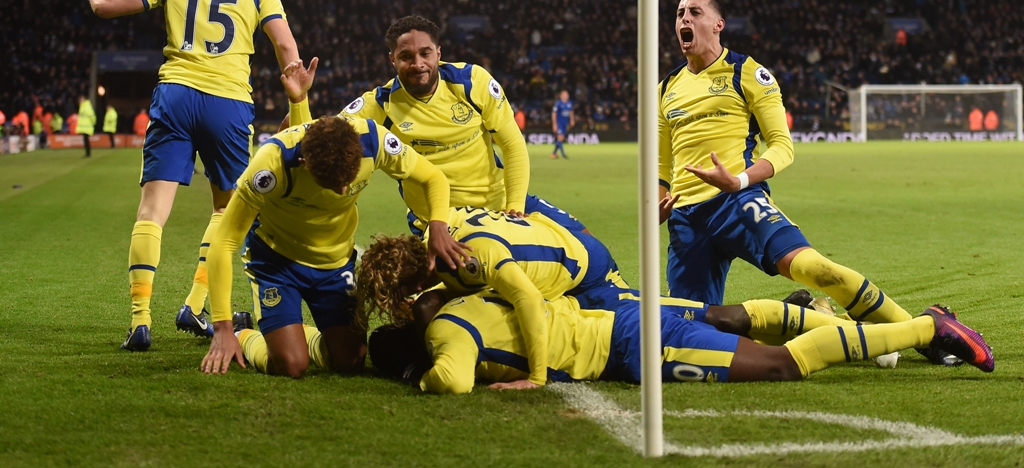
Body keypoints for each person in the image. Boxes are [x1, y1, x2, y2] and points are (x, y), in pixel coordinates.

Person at [656, 0, 945, 357]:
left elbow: (782, 146)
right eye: (680, 13)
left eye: (695, 12)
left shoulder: (747, 72)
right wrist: (658, 199)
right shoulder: (666, 89)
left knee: (816, 269)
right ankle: (810, 317)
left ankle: (931, 335)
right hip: (686, 220)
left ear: (718, 25)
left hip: (737, 202)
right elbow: (661, 165)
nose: (684, 18)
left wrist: (739, 180)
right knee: (689, 335)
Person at [89, 0, 301, 352]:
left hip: (176, 94)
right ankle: (195, 303)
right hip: (228, 103)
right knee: (227, 212)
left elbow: (103, 4)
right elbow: (284, 46)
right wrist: (295, 98)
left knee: (151, 212)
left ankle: (139, 322)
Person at [199, 74, 455, 379]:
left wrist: (438, 225)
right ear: (306, 162)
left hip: (335, 263)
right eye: (333, 184)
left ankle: (293, 334)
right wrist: (223, 327)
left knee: (351, 362)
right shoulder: (273, 163)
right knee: (291, 365)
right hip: (277, 261)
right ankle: (244, 335)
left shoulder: (372, 140)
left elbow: (433, 178)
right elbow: (225, 241)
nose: (344, 191)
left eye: (348, 181)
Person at [369, 290, 993, 394]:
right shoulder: (464, 295)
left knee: (779, 369)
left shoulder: (447, 333)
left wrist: (424, 379)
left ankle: (927, 327)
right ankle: (810, 315)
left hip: (631, 350)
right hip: (620, 320)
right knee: (729, 317)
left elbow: (450, 377)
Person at [357, 200, 631, 389]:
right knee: (427, 306)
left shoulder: (472, 258)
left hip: (584, 267)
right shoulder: (436, 232)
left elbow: (529, 300)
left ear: (415, 283)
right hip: (547, 238)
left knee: (626, 320)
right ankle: (434, 358)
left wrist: (536, 377)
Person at [341, 15, 529, 267]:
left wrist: (515, 206)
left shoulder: (472, 82)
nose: (417, 63)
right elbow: (328, 134)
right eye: (406, 56)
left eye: (425, 53)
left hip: (499, 207)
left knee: (586, 246)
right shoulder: (380, 105)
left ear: (438, 53)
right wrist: (299, 102)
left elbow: (513, 146)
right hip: (438, 224)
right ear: (392, 59)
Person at [550, 89, 575, 159]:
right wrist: (554, 124)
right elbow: (554, 114)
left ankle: (554, 153)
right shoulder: (558, 104)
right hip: (559, 123)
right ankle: (563, 154)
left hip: (565, 124)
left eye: (567, 94)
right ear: (560, 96)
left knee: (561, 139)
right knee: (560, 138)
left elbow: (571, 112)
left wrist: (572, 120)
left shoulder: (569, 103)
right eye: (564, 94)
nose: (566, 96)